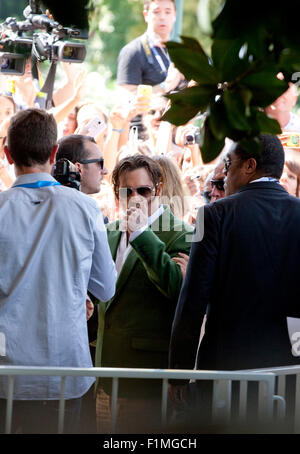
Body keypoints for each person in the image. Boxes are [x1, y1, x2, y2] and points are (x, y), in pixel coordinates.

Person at [169, 134, 300, 429]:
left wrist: (178, 372)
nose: (224, 174)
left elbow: (193, 302)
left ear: (250, 166)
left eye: (229, 164)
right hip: (287, 371)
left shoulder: (214, 215)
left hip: (225, 369)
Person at [0, 109, 117, 434]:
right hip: (65, 371)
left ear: (7, 154)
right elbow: (106, 289)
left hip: (8, 374)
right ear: (54, 153)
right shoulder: (84, 208)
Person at [95, 154, 193, 434]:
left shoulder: (180, 233)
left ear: (158, 190)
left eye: (144, 190)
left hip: (145, 377)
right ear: (117, 194)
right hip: (103, 373)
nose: (135, 197)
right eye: (128, 191)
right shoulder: (109, 232)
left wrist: (141, 234)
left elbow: (176, 289)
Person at [117, 0, 184, 97]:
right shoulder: (132, 51)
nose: (162, 17)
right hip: (151, 112)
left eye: (168, 12)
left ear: (175, 15)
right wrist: (166, 86)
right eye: (156, 12)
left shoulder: (181, 52)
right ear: (146, 15)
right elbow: (126, 100)